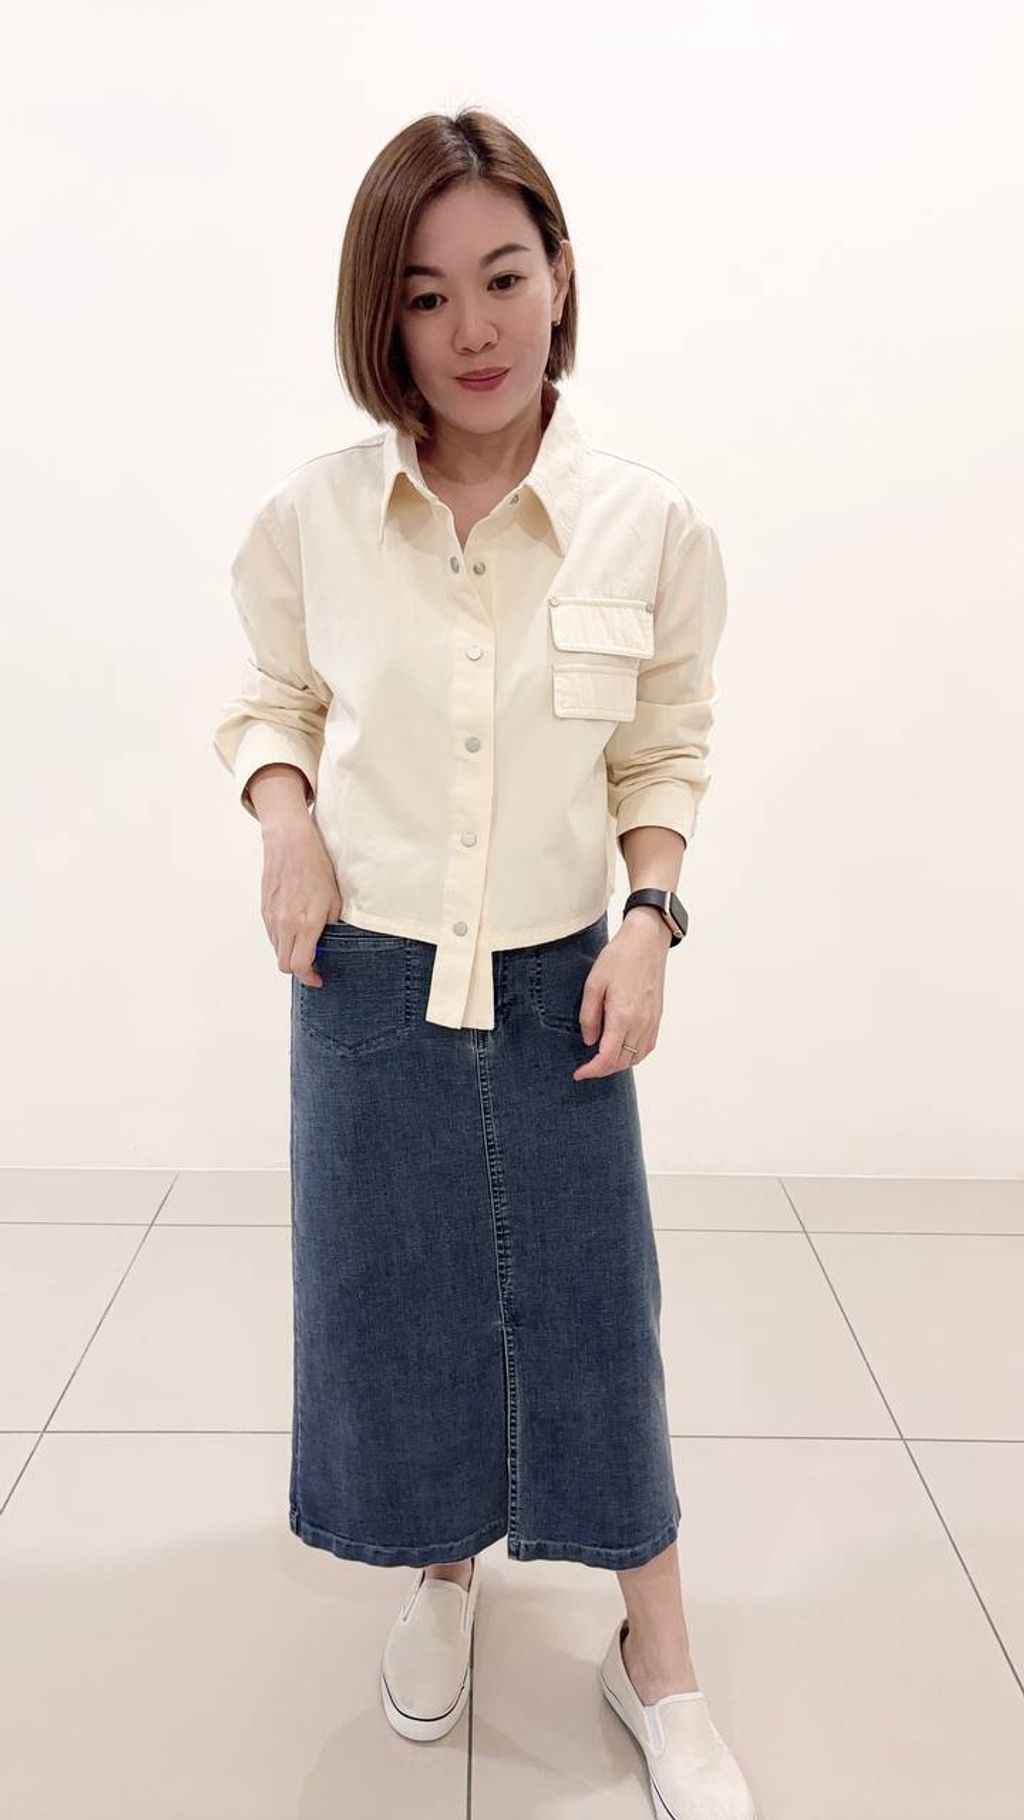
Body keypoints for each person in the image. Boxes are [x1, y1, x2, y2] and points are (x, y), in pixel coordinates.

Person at [213, 108, 757, 1820]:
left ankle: (656, 1658)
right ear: (384, 315)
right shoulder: (317, 516)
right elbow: (268, 698)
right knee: (399, 1309)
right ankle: (441, 1572)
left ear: (561, 276)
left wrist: (652, 921)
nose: (474, 330)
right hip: (365, 980)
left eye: (504, 278)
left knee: (597, 1319)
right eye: (428, 293)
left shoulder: (643, 523)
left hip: (557, 983)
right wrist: (285, 821)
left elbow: (665, 749)